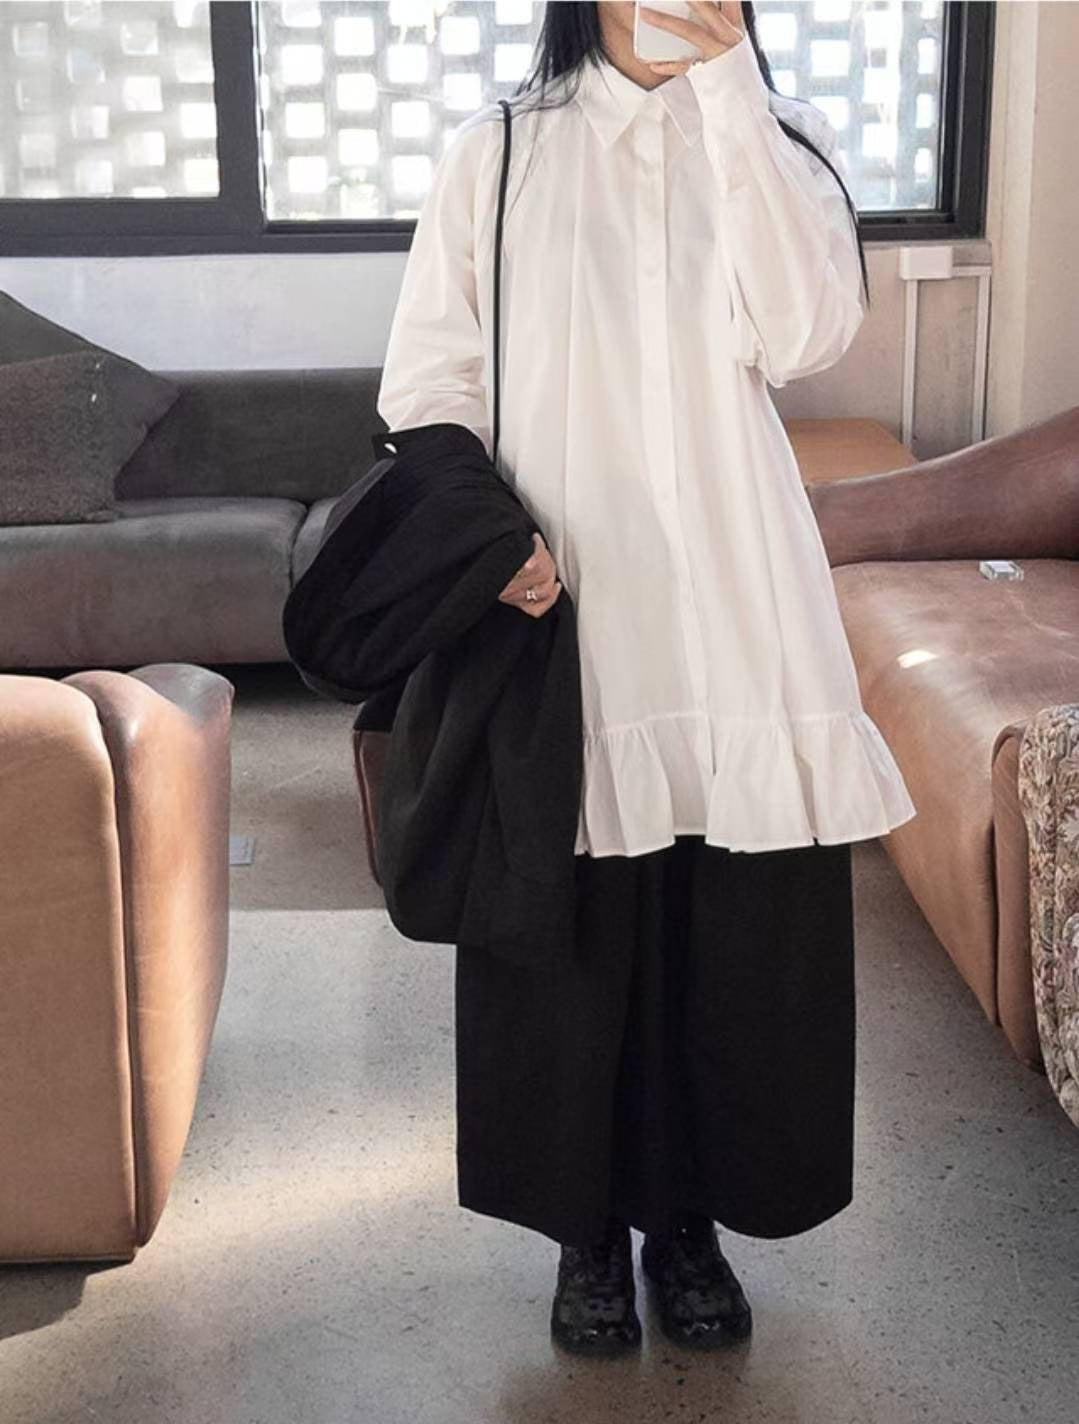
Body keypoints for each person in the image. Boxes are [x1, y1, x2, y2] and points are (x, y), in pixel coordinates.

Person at [375, 0, 917, 1356]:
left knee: (729, 938)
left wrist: (731, 93)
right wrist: (492, 546)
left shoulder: (782, 139)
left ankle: (691, 1224)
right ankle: (585, 1233)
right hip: (567, 609)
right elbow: (428, 386)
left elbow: (804, 333)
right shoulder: (498, 154)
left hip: (739, 608)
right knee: (574, 938)